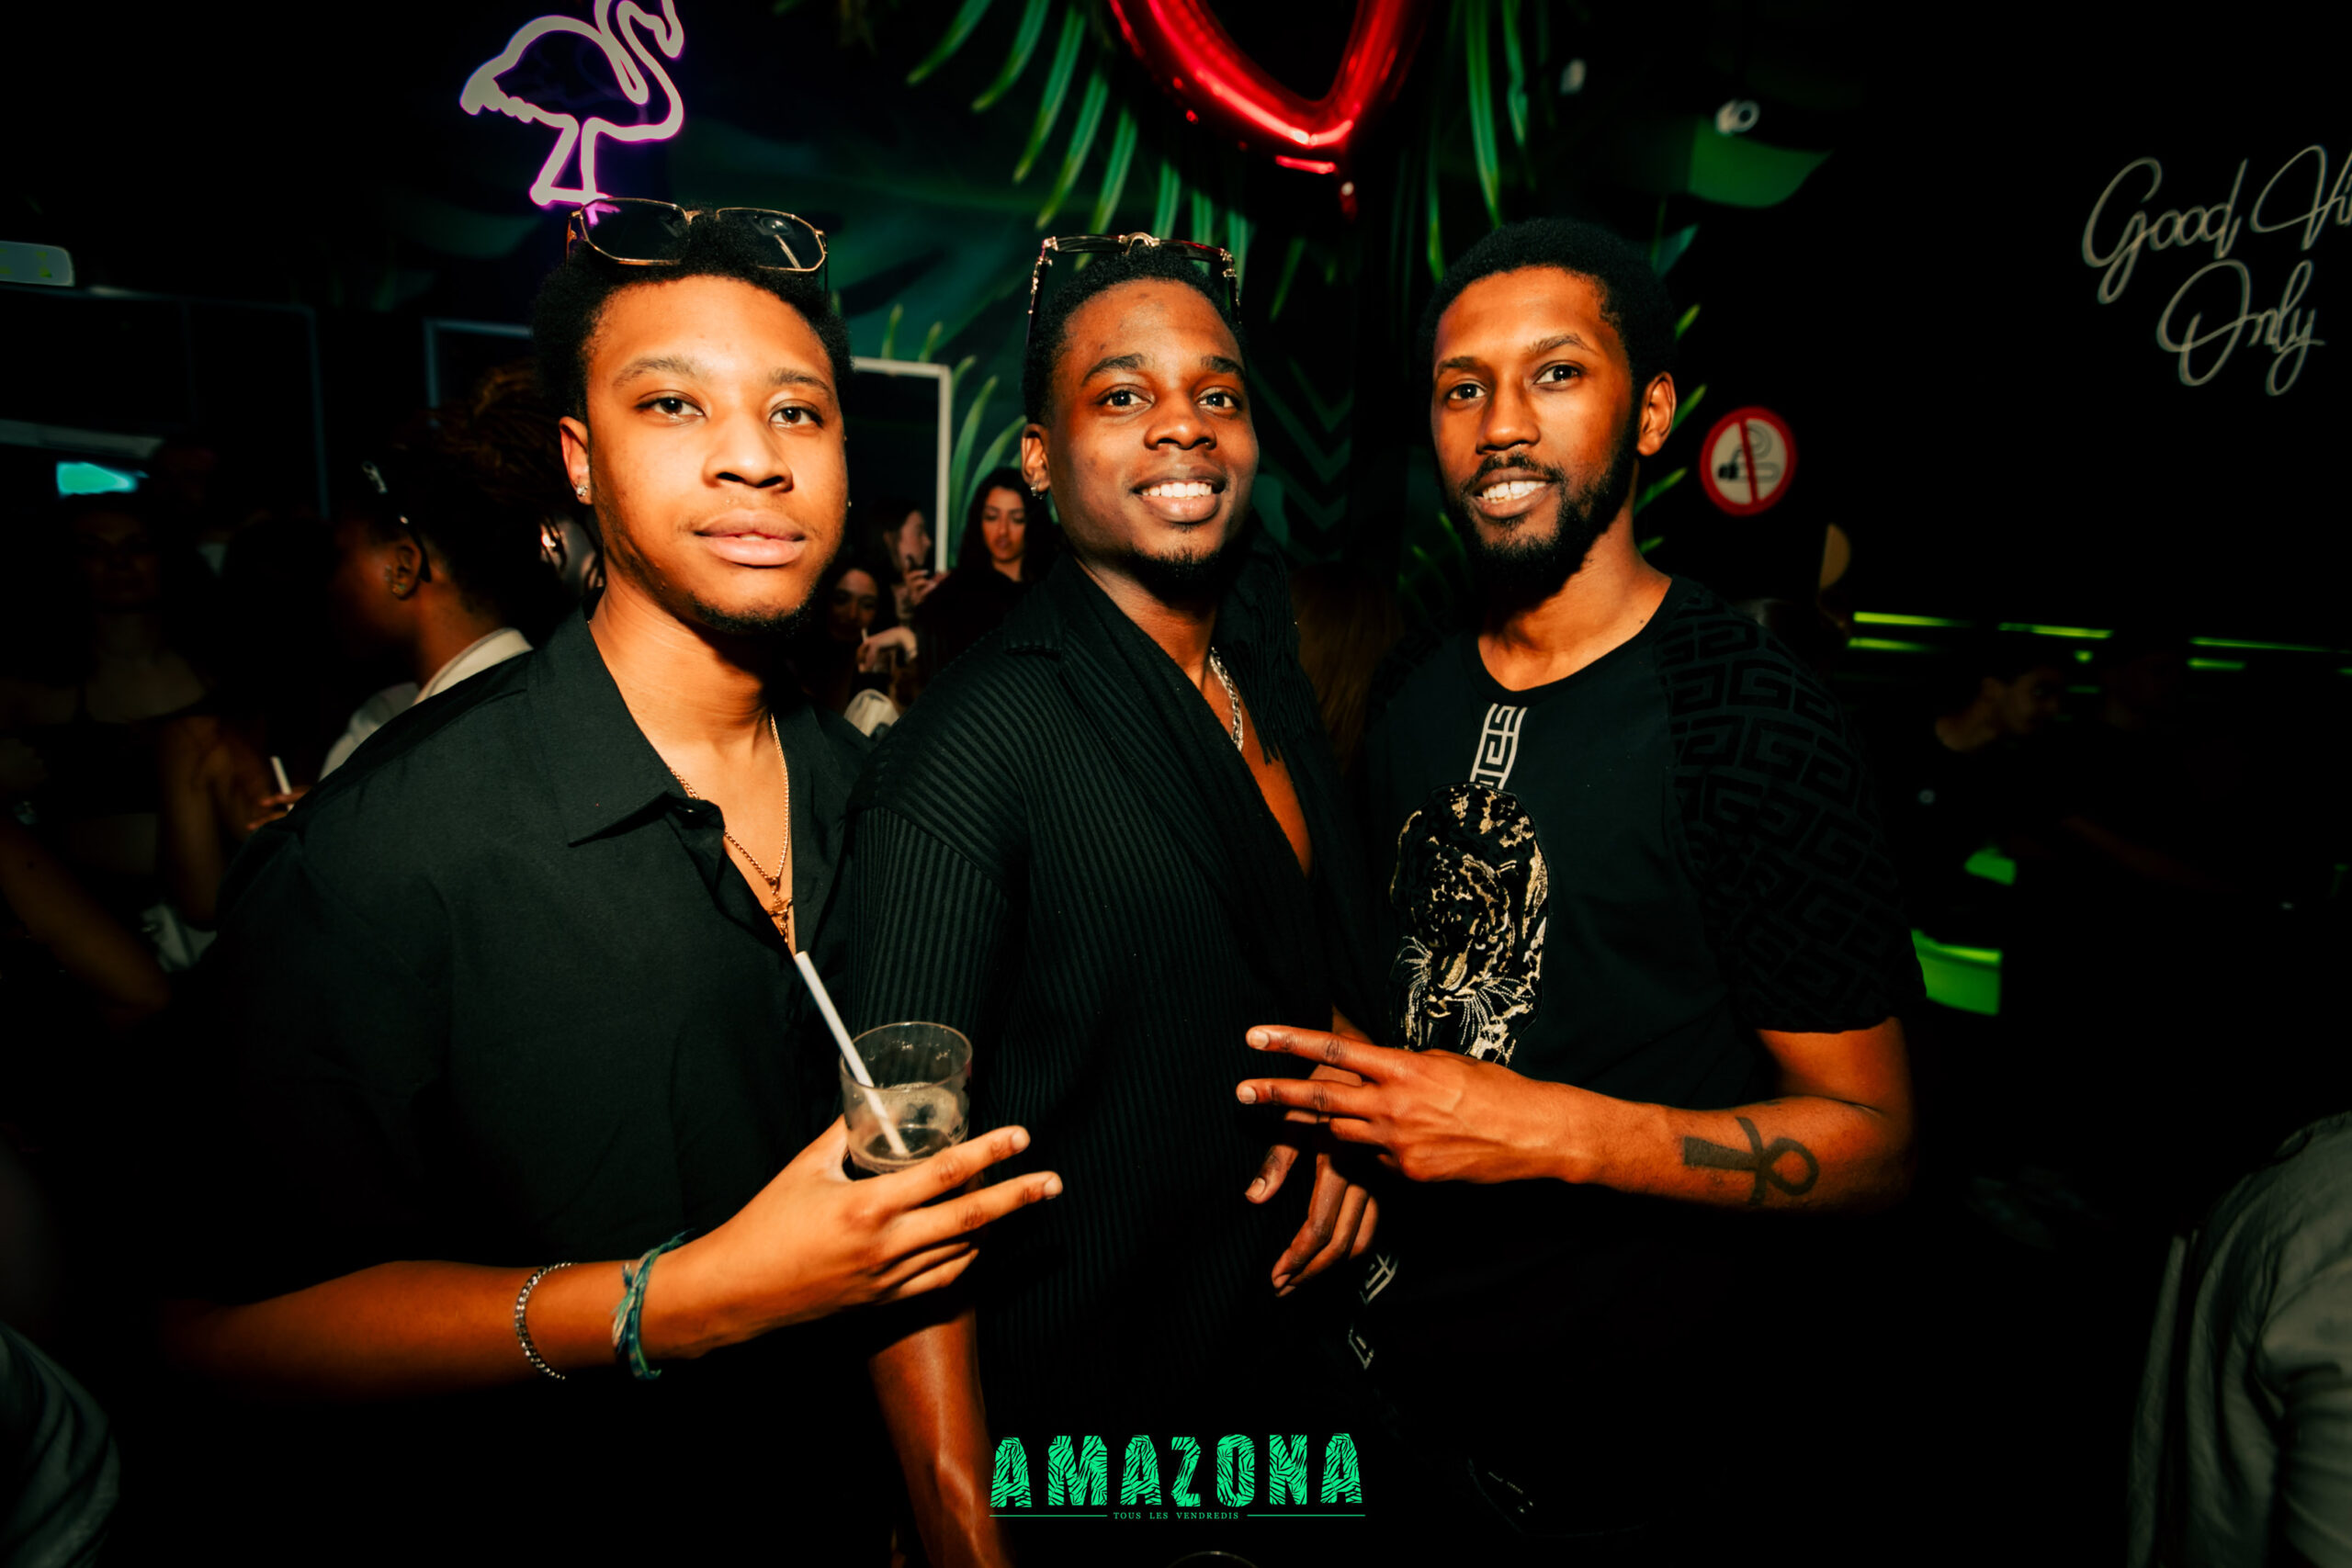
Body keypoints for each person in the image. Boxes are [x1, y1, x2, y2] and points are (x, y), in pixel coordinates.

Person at [157, 208, 1059, 1563]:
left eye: (797, 413)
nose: (752, 455)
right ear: (580, 461)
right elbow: (203, 1337)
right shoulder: (392, 849)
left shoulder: (886, 800)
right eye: (673, 404)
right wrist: (670, 1302)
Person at [1235, 218, 1921, 1552]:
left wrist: (1553, 1131)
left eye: (1555, 373)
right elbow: (1390, 983)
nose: (1502, 424)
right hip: (1371, 1400)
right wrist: (1350, 1128)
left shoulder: (1748, 719)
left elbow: (1877, 1140)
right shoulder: (1412, 684)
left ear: (1652, 412)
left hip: (1605, 1475)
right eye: (1463, 386)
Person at [840, 240, 1385, 1553]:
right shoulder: (975, 742)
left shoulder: (1263, 680)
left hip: (1272, 1407)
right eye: (1124, 394)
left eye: (1217, 392)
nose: (1183, 423)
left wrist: (1347, 1110)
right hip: (1082, 1443)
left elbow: (1278, 962)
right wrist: (965, 1532)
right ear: (1038, 457)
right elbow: (896, 1192)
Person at [0, 496, 211, 918]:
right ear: (65, 564)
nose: (119, 563)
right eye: (93, 550)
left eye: (138, 546)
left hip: (221, 912)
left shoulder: (223, 670)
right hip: (84, 916)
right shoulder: (25, 690)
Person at [905, 468, 1052, 680]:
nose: (1002, 531)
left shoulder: (1050, 592)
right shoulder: (954, 594)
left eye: (1016, 519)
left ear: (1032, 523)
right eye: (992, 517)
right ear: (979, 520)